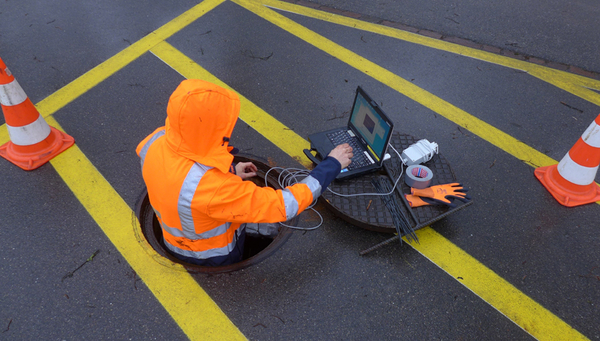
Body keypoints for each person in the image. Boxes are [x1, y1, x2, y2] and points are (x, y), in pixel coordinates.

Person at [136, 79, 353, 266]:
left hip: (175, 239)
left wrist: (229, 170)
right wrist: (332, 164)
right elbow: (285, 205)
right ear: (207, 128)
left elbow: (178, 177)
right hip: (213, 256)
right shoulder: (213, 189)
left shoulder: (156, 141)